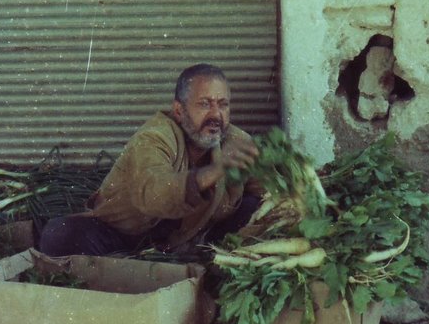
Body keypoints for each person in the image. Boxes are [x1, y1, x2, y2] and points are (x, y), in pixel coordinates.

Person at [37, 63, 262, 257]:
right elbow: (153, 193)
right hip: (125, 235)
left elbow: (265, 188)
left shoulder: (236, 141)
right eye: (204, 104)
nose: (216, 115)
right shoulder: (155, 137)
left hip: (185, 242)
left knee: (254, 208)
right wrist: (216, 170)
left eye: (223, 104)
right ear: (179, 110)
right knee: (61, 234)